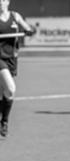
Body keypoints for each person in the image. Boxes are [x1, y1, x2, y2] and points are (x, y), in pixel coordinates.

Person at [0, 0, 34, 137]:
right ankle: (5, 122)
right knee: (11, 88)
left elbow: (28, 28)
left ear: (8, 2)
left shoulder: (15, 16)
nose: (0, 3)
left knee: (4, 92)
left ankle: (2, 121)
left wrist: (30, 31)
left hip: (12, 59)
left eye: (2, 0)